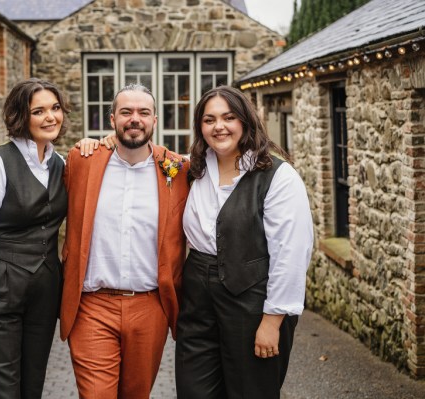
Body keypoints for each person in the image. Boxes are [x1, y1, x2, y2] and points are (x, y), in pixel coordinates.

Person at [175, 86, 313, 399]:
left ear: (246, 122)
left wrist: (272, 321)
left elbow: (291, 255)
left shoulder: (279, 177)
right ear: (200, 127)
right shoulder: (191, 168)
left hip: (252, 299)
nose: (218, 126)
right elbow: (142, 157)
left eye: (228, 117)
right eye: (209, 119)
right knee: (193, 390)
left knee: (251, 391)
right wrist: (108, 142)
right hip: (197, 300)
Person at [0, 78, 80, 399]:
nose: (50, 117)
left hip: (43, 297)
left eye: (55, 108)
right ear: (21, 116)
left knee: (31, 388)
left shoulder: (61, 164)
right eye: (39, 111)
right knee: (0, 392)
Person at [60, 83, 190, 398]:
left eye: (143, 112)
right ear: (112, 119)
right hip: (93, 305)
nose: (135, 119)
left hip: (150, 306)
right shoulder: (82, 160)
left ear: (155, 120)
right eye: (126, 112)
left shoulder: (177, 170)